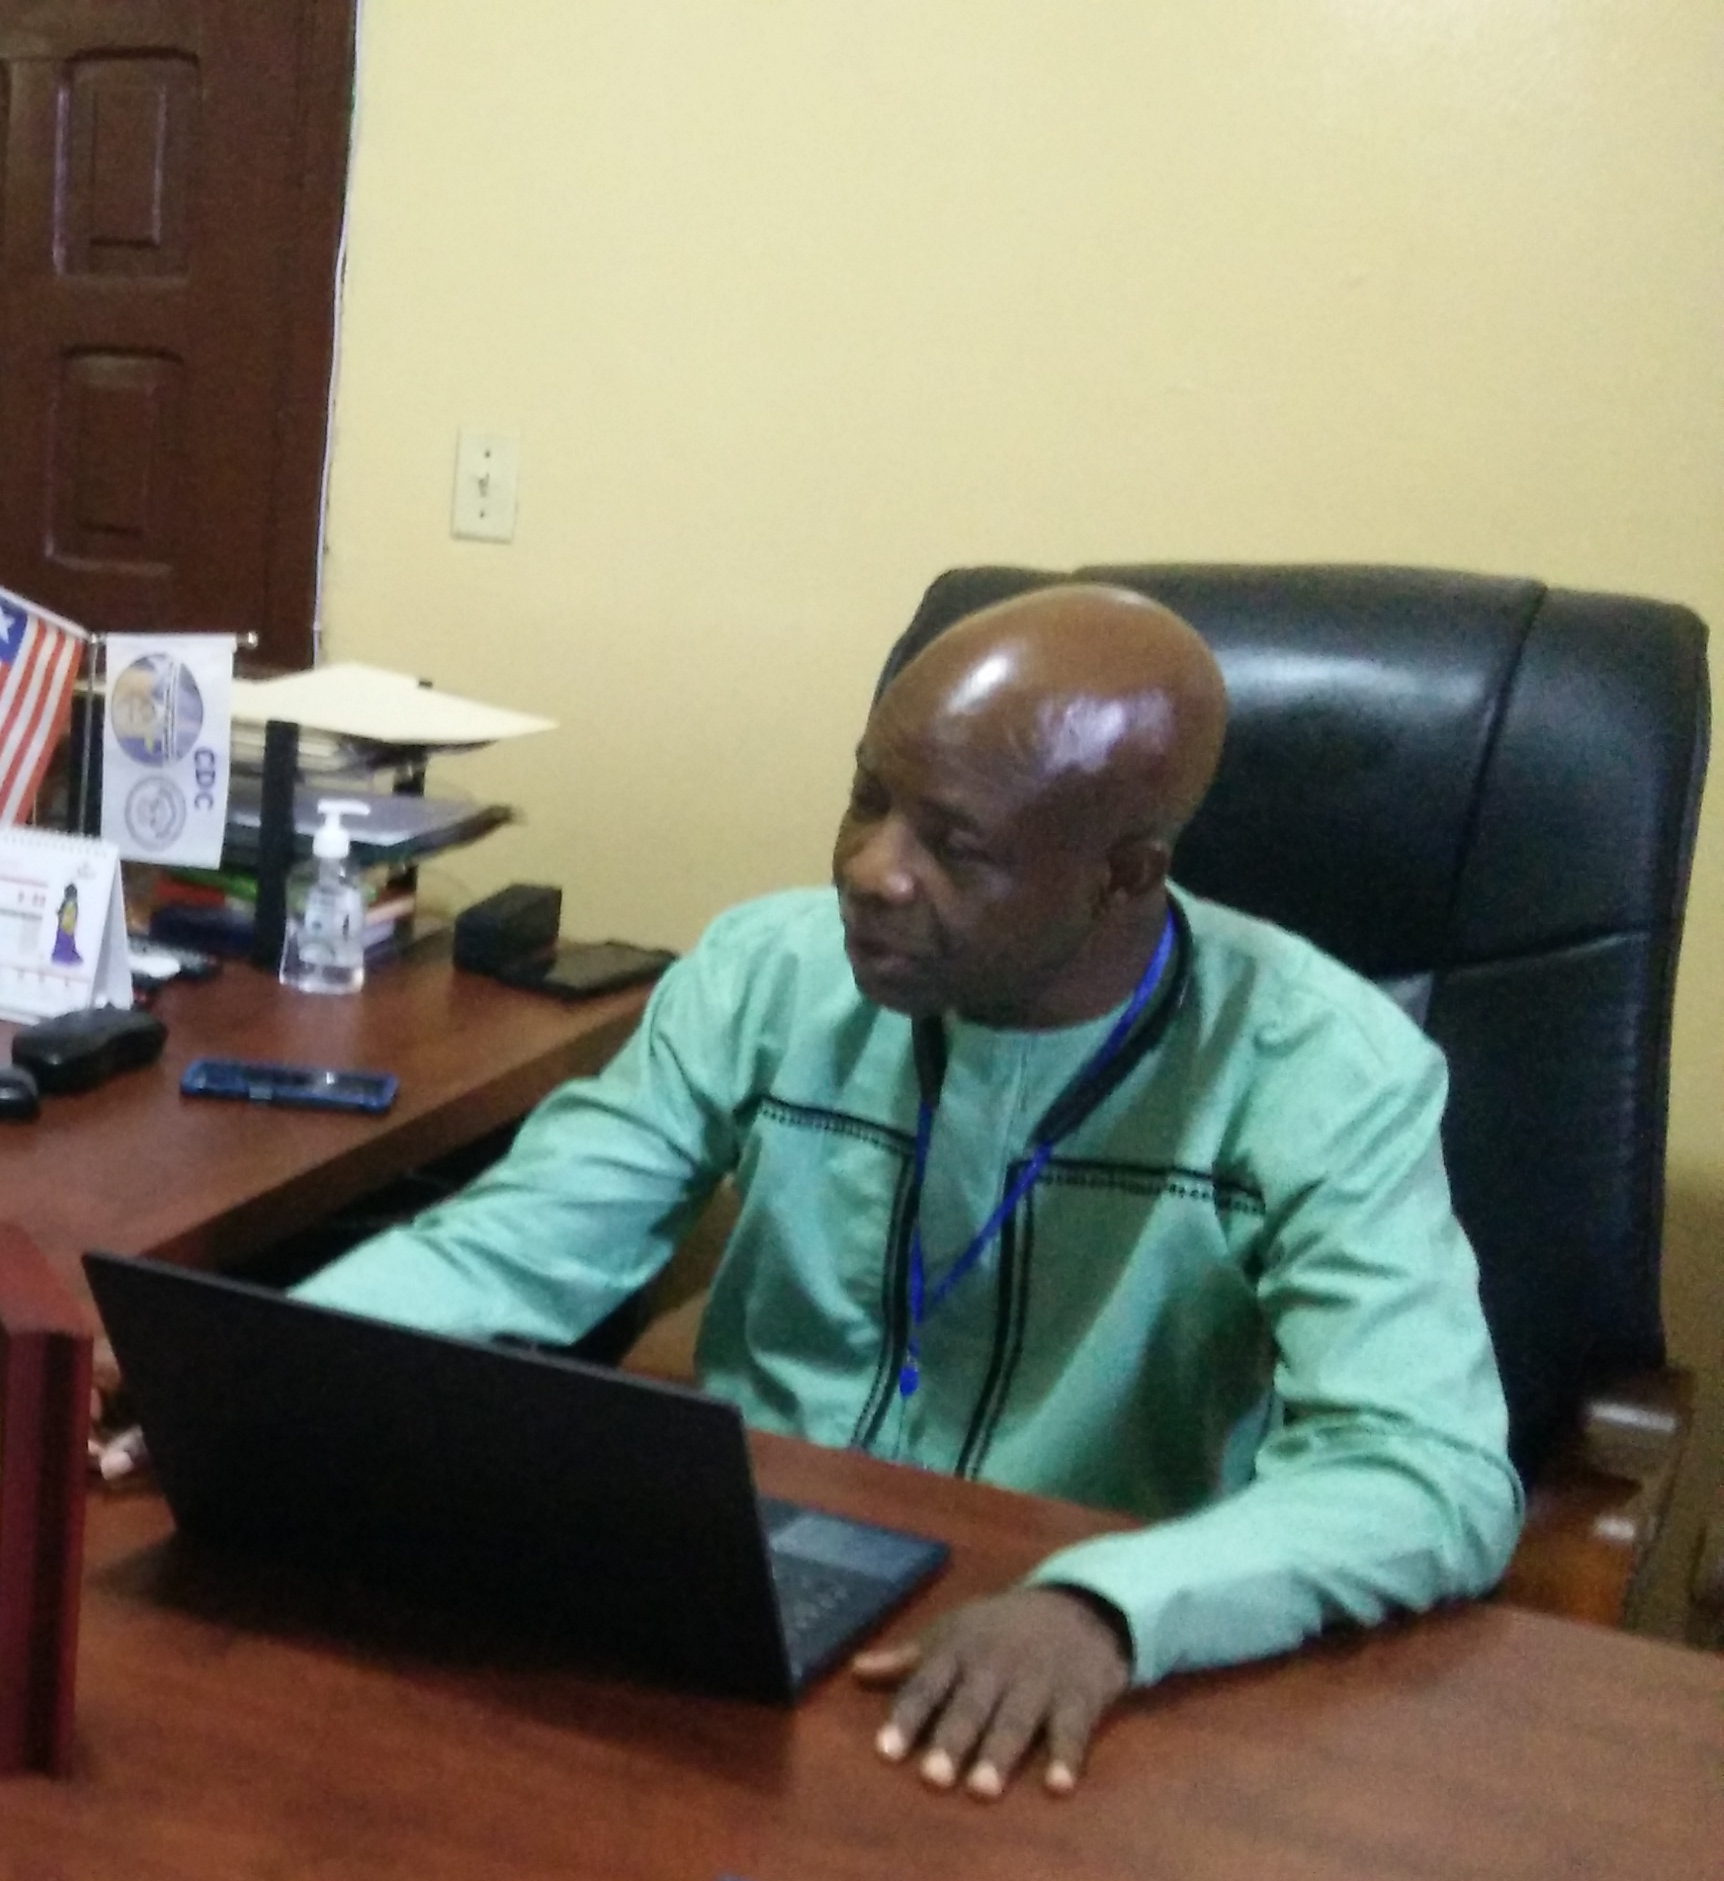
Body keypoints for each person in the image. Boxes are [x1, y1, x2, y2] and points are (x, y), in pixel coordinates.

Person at [297, 585, 1518, 1801]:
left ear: (1123, 875)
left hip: (1073, 1682)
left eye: (954, 844)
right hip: (730, 1605)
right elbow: (516, 1243)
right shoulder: (760, 974)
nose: (870, 872)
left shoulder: (1322, 1071)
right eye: (866, 799)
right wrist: (278, 1364)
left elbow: (1426, 1469)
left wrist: (1110, 1607)